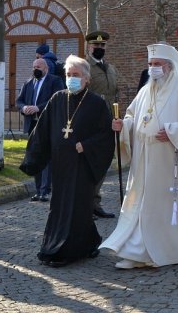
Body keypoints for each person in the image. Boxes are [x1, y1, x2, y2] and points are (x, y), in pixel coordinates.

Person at [102, 42, 178, 269]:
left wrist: (172, 131)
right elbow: (133, 116)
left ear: (168, 66)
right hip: (146, 159)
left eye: (157, 64)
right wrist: (124, 125)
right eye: (150, 64)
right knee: (145, 204)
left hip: (174, 160)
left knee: (177, 206)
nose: (153, 68)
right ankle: (139, 251)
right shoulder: (145, 90)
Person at [20, 55, 115, 267]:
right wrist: (33, 159)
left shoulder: (97, 103)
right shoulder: (57, 99)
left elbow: (105, 136)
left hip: (82, 164)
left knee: (79, 205)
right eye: (69, 75)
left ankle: (71, 249)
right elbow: (41, 130)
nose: (72, 78)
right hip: (61, 163)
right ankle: (65, 244)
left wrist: (86, 146)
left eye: (77, 75)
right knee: (60, 205)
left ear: (87, 79)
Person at [18, 57, 65, 202]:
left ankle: (45, 190)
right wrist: (24, 107)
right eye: (34, 67)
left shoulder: (55, 81)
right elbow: (19, 100)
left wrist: (39, 107)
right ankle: (38, 190)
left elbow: (57, 99)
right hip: (32, 124)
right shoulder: (28, 82)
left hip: (48, 123)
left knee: (47, 157)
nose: (35, 69)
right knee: (34, 156)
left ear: (46, 68)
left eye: (38, 67)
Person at [85, 30, 119, 219]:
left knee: (104, 161)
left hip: (108, 121)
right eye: (96, 45)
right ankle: (84, 204)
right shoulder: (84, 66)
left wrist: (117, 117)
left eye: (102, 45)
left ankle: (95, 202)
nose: (99, 48)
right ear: (89, 47)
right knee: (89, 163)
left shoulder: (111, 68)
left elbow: (115, 94)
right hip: (90, 120)